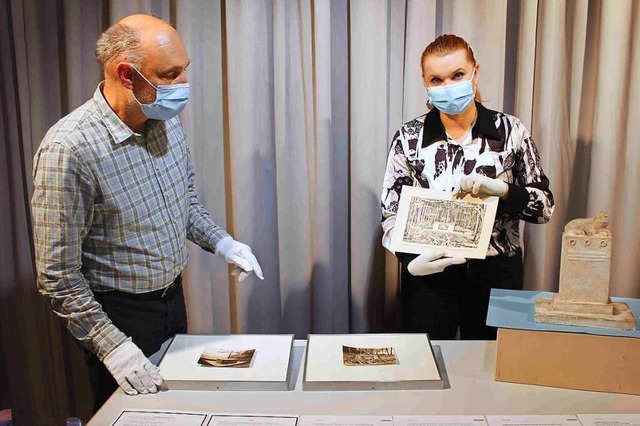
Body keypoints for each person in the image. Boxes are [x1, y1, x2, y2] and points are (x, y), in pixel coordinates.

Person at [31, 14, 263, 412]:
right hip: (117, 314)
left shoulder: (164, 121)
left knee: (179, 412)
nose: (183, 86)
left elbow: (183, 202)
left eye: (184, 71)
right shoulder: (69, 150)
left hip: (172, 299)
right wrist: (113, 347)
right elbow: (58, 277)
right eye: (170, 74)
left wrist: (221, 242)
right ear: (126, 74)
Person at [381, 34, 554, 340]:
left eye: (457, 75)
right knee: (427, 367)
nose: (448, 86)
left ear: (475, 72)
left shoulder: (511, 131)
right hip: (430, 274)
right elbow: (391, 214)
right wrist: (410, 263)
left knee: (494, 368)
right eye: (437, 79)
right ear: (425, 83)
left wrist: (504, 192)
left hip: (496, 274)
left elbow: (544, 209)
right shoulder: (409, 137)